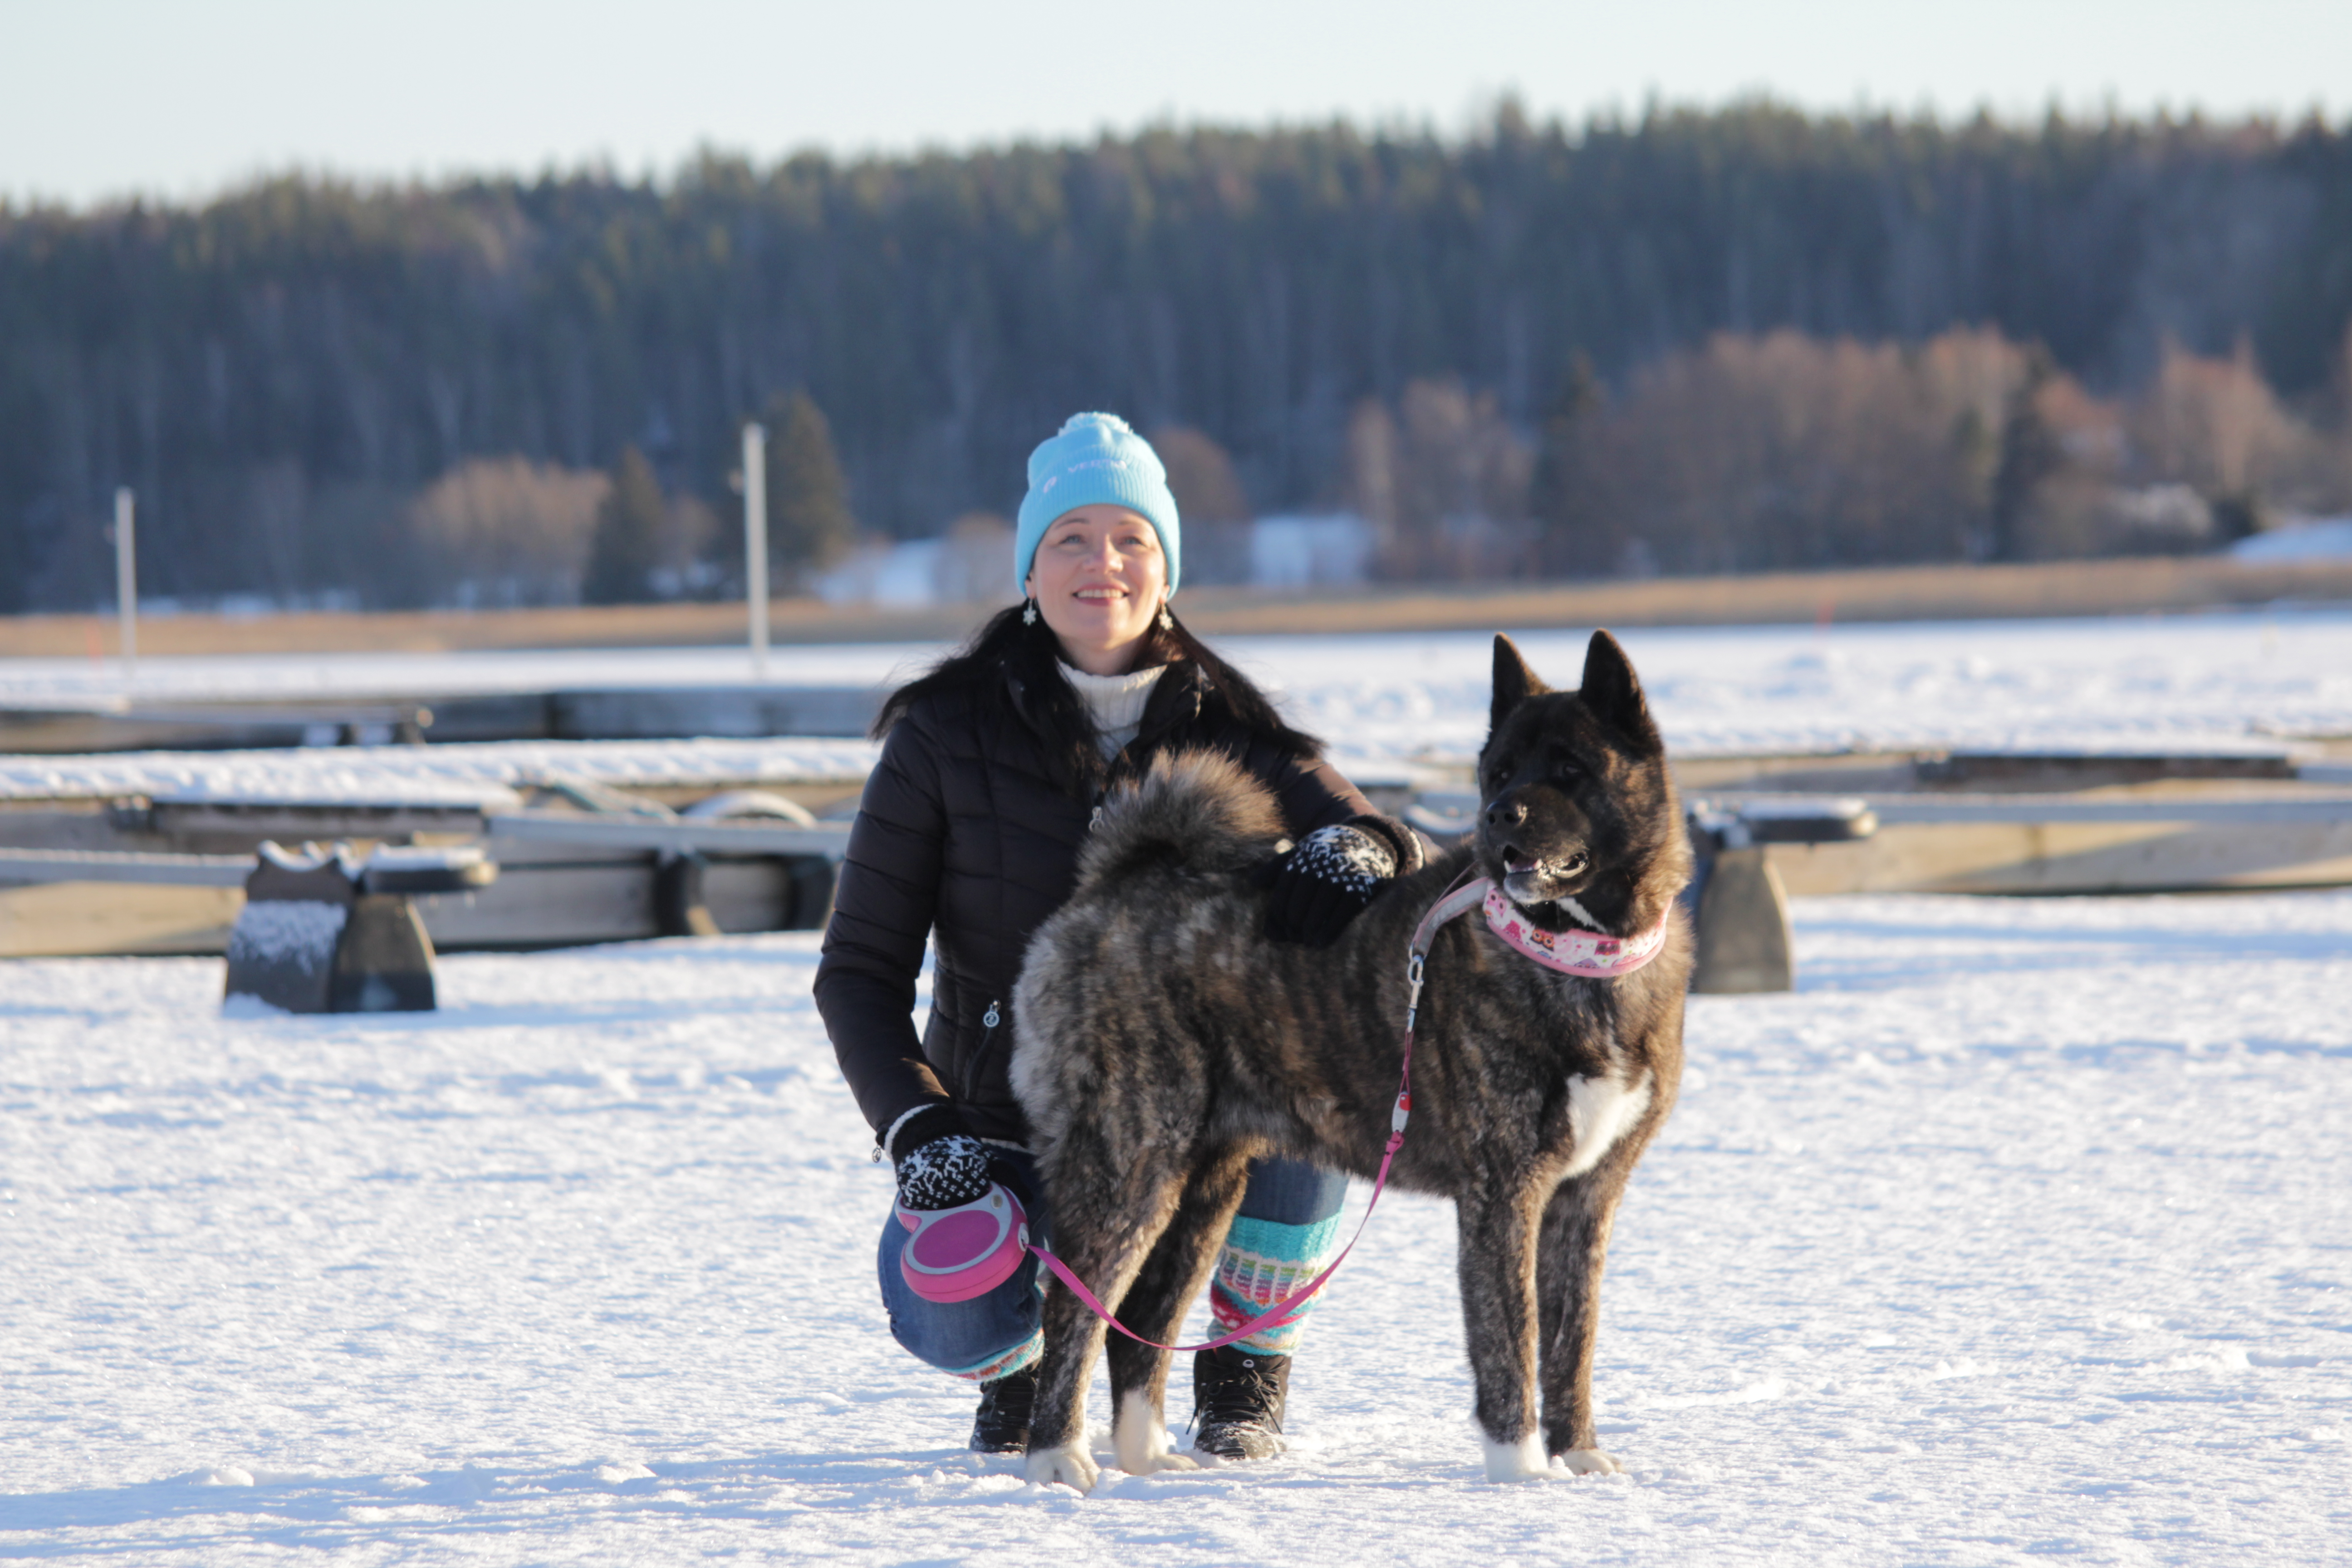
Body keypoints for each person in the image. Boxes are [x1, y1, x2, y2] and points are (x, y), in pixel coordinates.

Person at [814, 412, 1424, 1461]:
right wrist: (921, 1130)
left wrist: (1371, 853)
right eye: (1072, 538)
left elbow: (1377, 835)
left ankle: (1245, 1365)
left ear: (1167, 566)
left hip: (1204, 1128)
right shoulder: (941, 737)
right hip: (1011, 1128)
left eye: (1132, 539)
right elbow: (858, 973)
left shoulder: (1229, 724)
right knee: (953, 1308)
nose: (1104, 564)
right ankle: (1024, 1375)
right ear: (1031, 567)